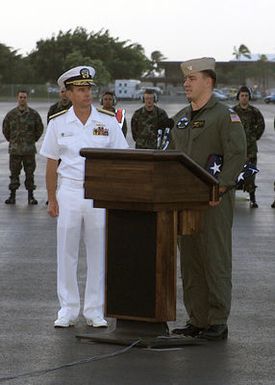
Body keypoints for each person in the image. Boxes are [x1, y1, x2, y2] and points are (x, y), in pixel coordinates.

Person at [40, 66, 129, 328]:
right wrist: (52, 198)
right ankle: (67, 309)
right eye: (80, 89)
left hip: (98, 193)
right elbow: (51, 163)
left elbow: (120, 158)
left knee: (97, 251)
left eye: (89, 88)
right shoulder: (57, 123)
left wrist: (115, 194)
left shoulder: (108, 121)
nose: (86, 93)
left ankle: (94, 310)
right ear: (67, 93)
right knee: (66, 251)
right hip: (68, 190)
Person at [170, 58, 246, 341]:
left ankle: (217, 320)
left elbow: (238, 153)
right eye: (186, 79)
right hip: (186, 201)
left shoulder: (225, 116)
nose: (186, 83)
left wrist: (221, 187)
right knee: (190, 260)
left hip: (214, 200)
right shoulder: (179, 117)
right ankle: (197, 318)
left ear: (208, 82)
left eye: (192, 79)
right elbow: (171, 156)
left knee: (215, 258)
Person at [2, 90, 44, 205]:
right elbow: (5, 130)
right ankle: (12, 196)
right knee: (14, 174)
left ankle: (31, 197)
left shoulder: (33, 114)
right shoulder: (11, 115)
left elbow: (39, 129)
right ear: (17, 98)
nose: (22, 99)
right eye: (20, 97)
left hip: (29, 150)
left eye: (24, 97)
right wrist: (13, 141)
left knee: (30, 174)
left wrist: (31, 140)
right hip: (15, 150)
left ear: (27, 98)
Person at [232, 86, 265, 208]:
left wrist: (254, 137)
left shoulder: (254, 111)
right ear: (238, 97)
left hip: (251, 149)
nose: (244, 98)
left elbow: (261, 126)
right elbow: (227, 128)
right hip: (236, 149)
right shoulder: (233, 112)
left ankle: (252, 198)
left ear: (249, 97)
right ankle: (231, 198)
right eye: (242, 95)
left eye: (246, 95)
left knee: (250, 174)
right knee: (234, 172)